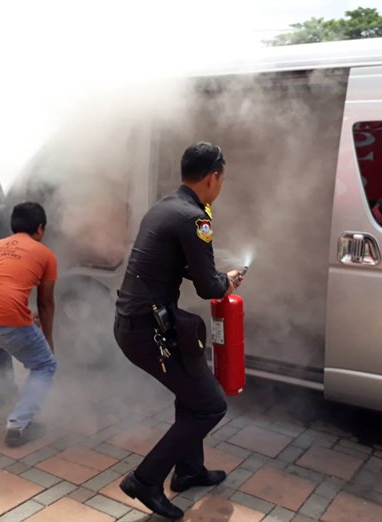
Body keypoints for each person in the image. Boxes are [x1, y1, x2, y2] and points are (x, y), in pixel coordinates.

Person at [114, 142, 244, 519]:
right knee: (211, 406)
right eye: (222, 179)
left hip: (136, 322)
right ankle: (145, 479)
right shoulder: (195, 217)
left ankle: (189, 470)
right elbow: (208, 287)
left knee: (191, 394)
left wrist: (214, 275)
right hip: (149, 330)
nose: (221, 186)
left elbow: (172, 263)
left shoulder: (165, 206)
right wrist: (227, 280)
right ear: (213, 177)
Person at [0, 202, 58, 448]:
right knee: (45, 365)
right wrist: (48, 340)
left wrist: (25, 314)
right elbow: (46, 304)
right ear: (40, 228)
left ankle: (2, 395)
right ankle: (19, 425)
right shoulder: (45, 253)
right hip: (3, 318)